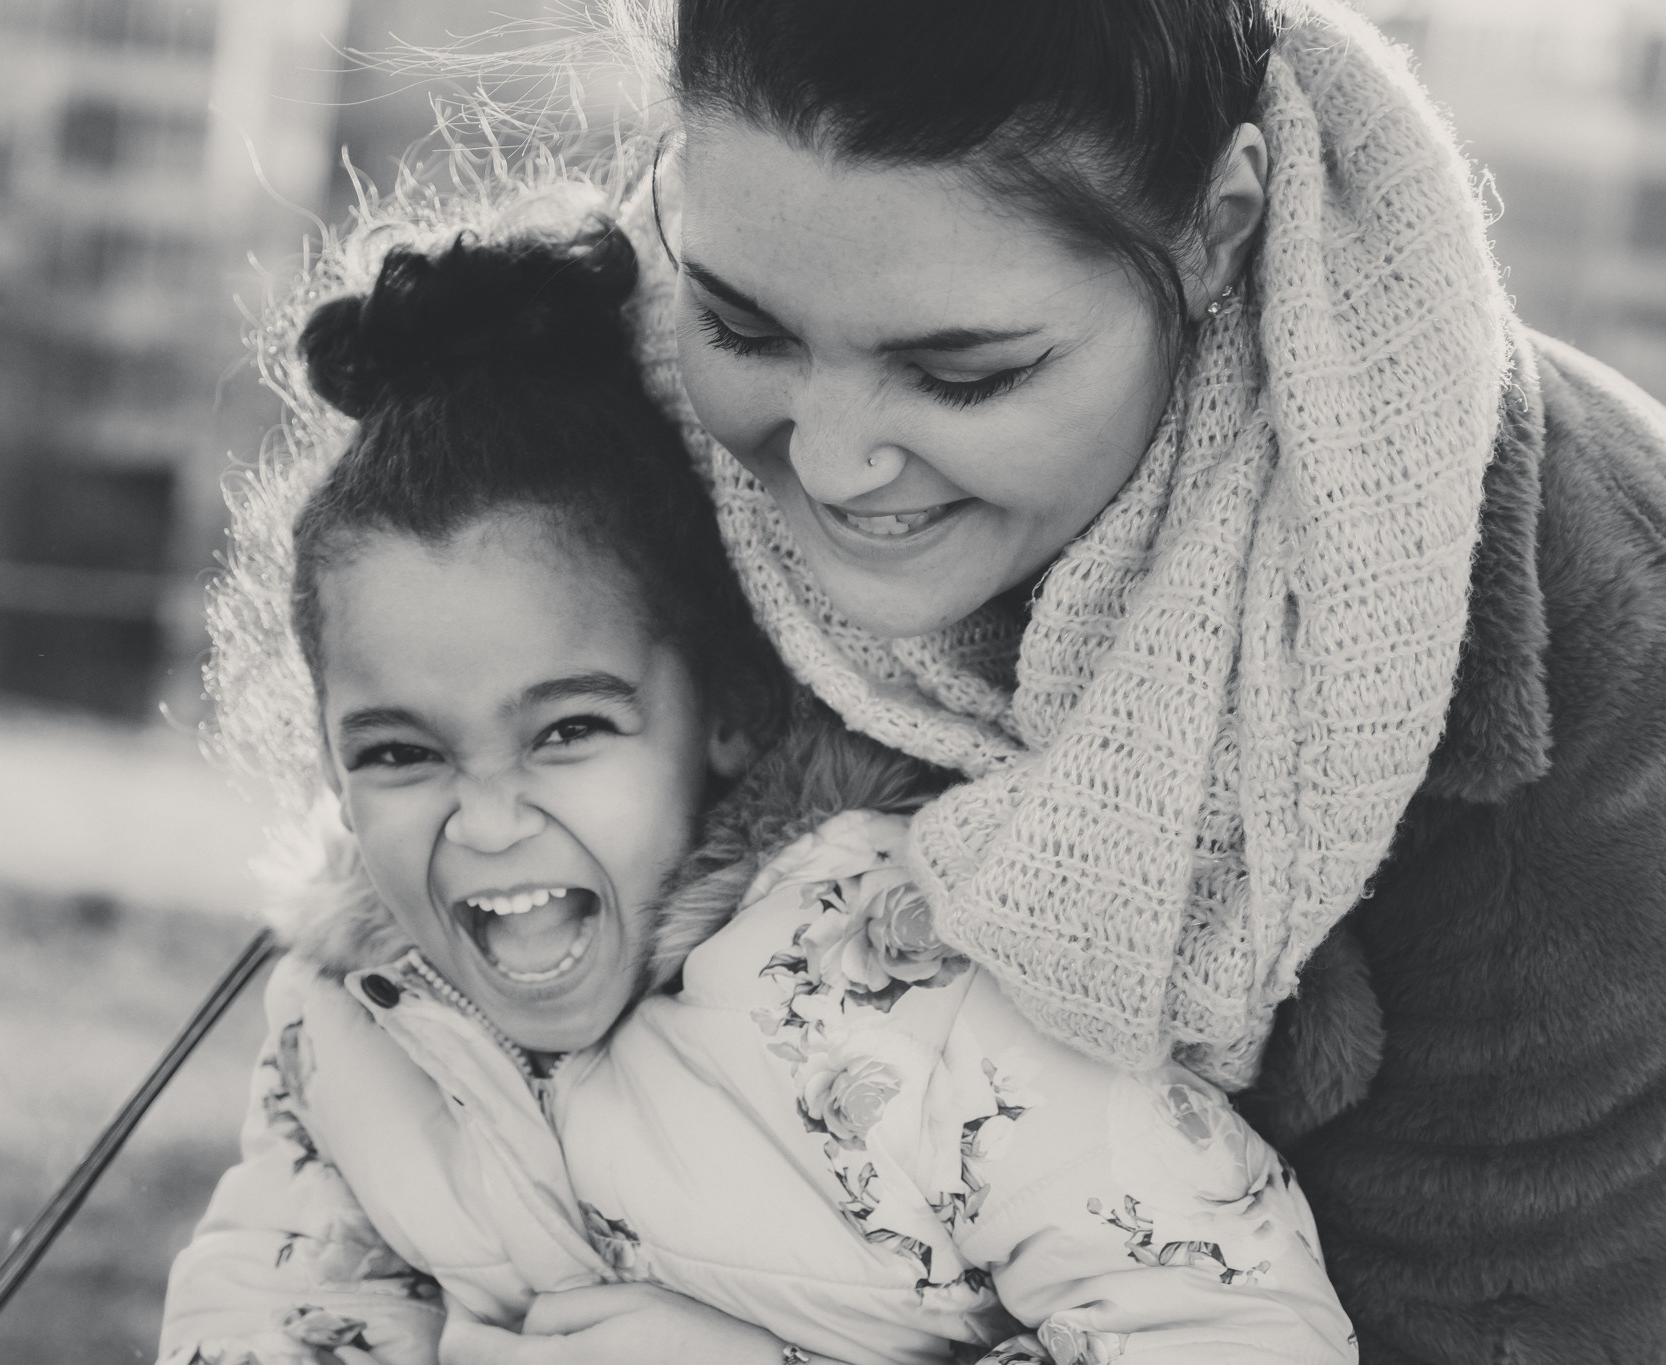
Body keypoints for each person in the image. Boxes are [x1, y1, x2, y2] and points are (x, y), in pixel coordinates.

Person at [577, 0, 1666, 1360]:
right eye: (743, 328)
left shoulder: (1590, 635)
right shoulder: (593, 418)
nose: (834, 459)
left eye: (961, 372)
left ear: (1217, 228)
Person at [159, 221, 1358, 1365]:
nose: (484, 820)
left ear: (724, 710)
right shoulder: (346, 1029)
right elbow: (264, 1310)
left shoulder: (924, 996)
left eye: (568, 729)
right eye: (398, 755)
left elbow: (1242, 1334)